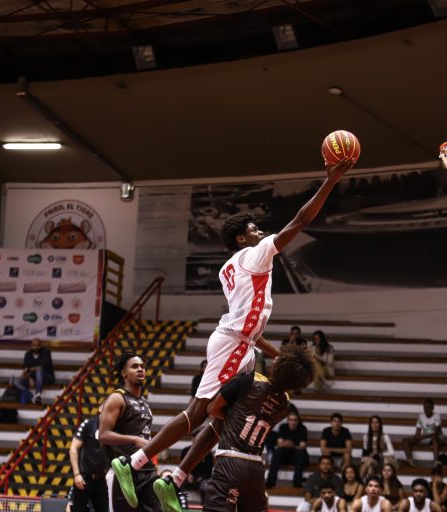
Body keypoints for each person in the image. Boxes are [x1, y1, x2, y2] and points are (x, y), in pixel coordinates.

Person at [111, 157, 354, 508]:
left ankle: (175, 478)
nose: (261, 233)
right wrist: (331, 180)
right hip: (233, 345)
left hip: (242, 344)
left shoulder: (229, 266)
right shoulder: (255, 255)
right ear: (242, 238)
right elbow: (301, 221)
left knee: (228, 419)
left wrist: (281, 355)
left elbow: (250, 330)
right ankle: (133, 462)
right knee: (197, 413)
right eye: (255, 230)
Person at [199, 344, 315, 512]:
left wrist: (234, 417)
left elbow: (212, 409)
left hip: (231, 460)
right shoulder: (285, 404)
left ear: (278, 366)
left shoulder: (249, 381)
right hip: (256, 467)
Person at [98, 351, 160, 512]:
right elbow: (103, 435)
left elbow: (145, 437)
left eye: (142, 367)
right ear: (123, 373)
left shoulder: (144, 402)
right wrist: (134, 439)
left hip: (147, 471)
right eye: (134, 366)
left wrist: (155, 463)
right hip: (123, 471)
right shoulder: (117, 398)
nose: (140, 369)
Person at [70, 415, 108, 512]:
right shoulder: (89, 423)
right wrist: (76, 474)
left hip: (102, 480)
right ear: (100, 408)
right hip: (84, 479)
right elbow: (73, 448)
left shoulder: (113, 426)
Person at [266, 411, 309, 488]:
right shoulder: (283, 427)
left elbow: (302, 446)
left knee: (301, 453)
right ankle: (270, 482)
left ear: (298, 421)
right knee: (277, 452)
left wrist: (293, 445)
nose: (293, 422)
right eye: (291, 420)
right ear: (288, 421)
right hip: (285, 455)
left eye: (295, 420)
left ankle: (297, 482)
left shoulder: (302, 428)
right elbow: (279, 444)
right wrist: (285, 444)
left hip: (297, 456)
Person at [13, 338, 55, 404]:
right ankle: (32, 397)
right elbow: (26, 369)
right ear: (31, 345)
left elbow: (41, 367)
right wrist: (29, 377)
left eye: (37, 345)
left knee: (39, 372)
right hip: (33, 377)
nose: (35, 347)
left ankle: (38, 394)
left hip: (47, 377)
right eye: (33, 345)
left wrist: (30, 371)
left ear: (40, 345)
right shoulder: (28, 354)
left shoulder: (46, 352)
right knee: (16, 381)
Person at [402, 399, 441, 468]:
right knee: (405, 441)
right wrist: (417, 435)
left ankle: (436, 461)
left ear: (433, 408)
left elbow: (436, 431)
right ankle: (410, 461)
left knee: (434, 437)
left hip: (434, 438)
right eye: (425, 407)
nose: (426, 409)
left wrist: (423, 436)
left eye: (428, 407)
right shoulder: (421, 416)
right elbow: (418, 430)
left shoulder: (436, 415)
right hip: (424, 438)